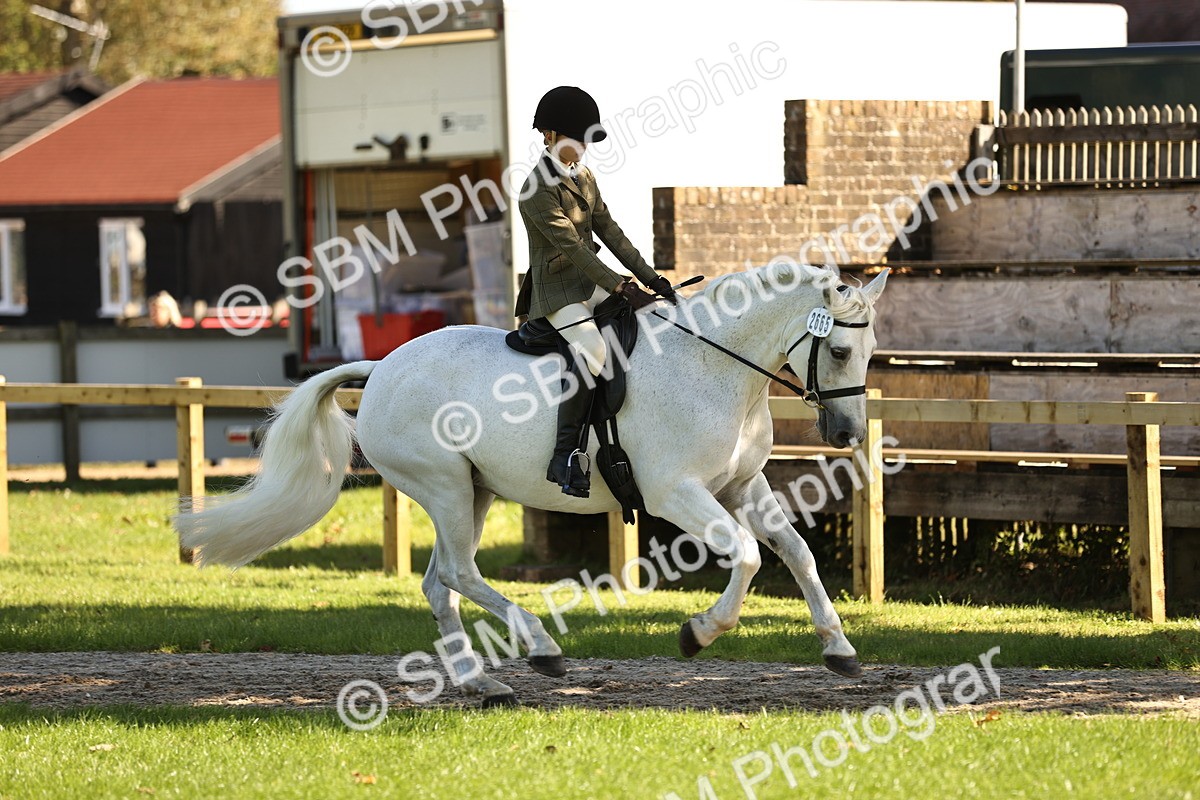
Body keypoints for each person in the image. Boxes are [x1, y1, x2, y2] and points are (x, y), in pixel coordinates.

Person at [515, 86, 677, 498]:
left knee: (652, 320)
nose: (585, 147)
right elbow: (572, 247)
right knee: (594, 350)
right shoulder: (535, 189)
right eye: (579, 138)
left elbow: (610, 231)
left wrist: (651, 278)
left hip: (592, 283)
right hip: (559, 293)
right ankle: (565, 456)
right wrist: (620, 285)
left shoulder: (583, 177)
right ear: (550, 135)